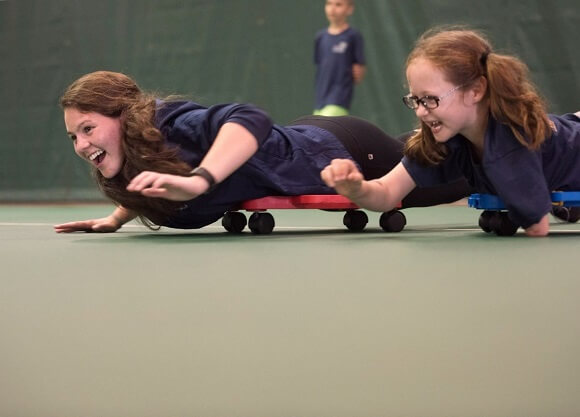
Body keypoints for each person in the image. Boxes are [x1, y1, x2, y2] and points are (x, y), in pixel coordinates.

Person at [54, 70, 471, 233]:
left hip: (344, 151)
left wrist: (200, 180)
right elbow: (159, 176)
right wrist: (115, 217)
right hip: (308, 146)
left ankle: (518, 135)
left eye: (88, 129)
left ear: (123, 116)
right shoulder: (134, 159)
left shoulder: (173, 124)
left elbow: (250, 118)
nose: (82, 145)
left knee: (455, 171)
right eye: (74, 136)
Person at [321, 27, 580, 237]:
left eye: (430, 99)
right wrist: (356, 188)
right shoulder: (446, 141)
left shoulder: (509, 148)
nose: (421, 111)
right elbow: (387, 194)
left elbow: (537, 227)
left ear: (476, 91)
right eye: (415, 100)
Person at [313, 0, 365, 117]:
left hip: (339, 100)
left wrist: (357, 73)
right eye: (329, 4)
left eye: (338, 4)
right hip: (320, 102)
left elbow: (359, 72)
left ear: (349, 9)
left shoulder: (353, 36)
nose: (332, 9)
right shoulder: (320, 37)